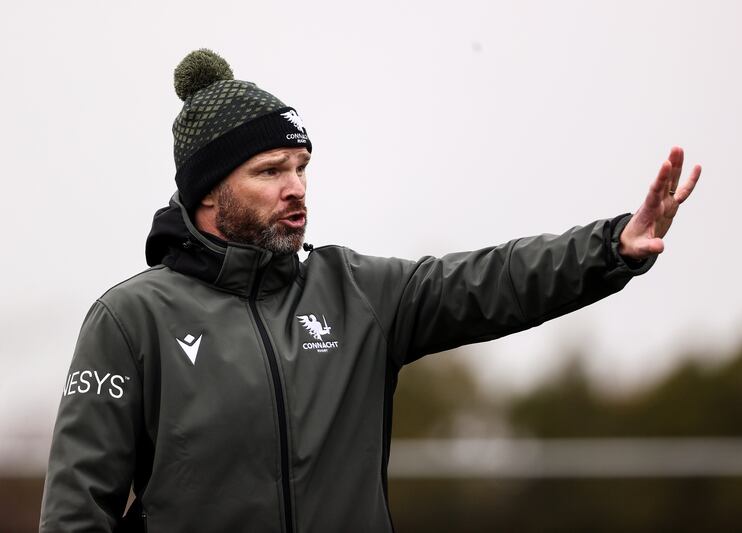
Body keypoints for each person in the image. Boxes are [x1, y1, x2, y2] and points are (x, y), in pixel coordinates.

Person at [39, 49, 701, 533]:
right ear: (209, 192)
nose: (295, 186)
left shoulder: (357, 292)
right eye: (270, 171)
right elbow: (76, 510)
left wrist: (612, 245)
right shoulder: (129, 319)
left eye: (301, 167)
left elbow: (494, 278)